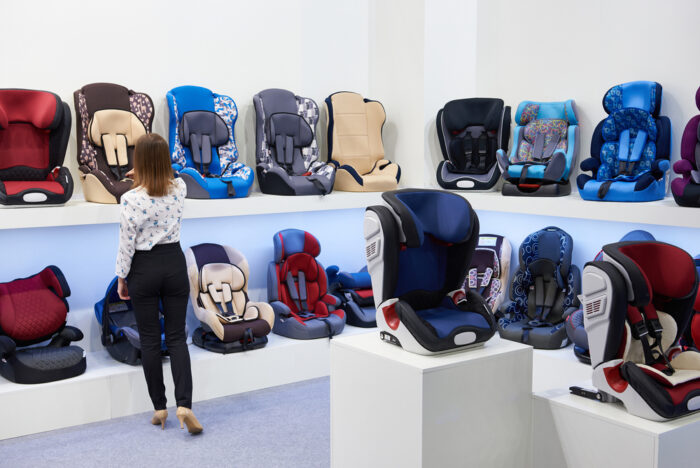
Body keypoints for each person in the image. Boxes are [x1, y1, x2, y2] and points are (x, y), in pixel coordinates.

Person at [115, 133, 202, 434]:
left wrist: (121, 276)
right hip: (174, 263)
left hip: (144, 267)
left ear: (136, 162)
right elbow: (170, 177)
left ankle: (159, 409)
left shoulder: (130, 199)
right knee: (177, 337)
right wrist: (149, 171)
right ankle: (185, 406)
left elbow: (126, 244)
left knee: (151, 340)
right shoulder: (180, 188)